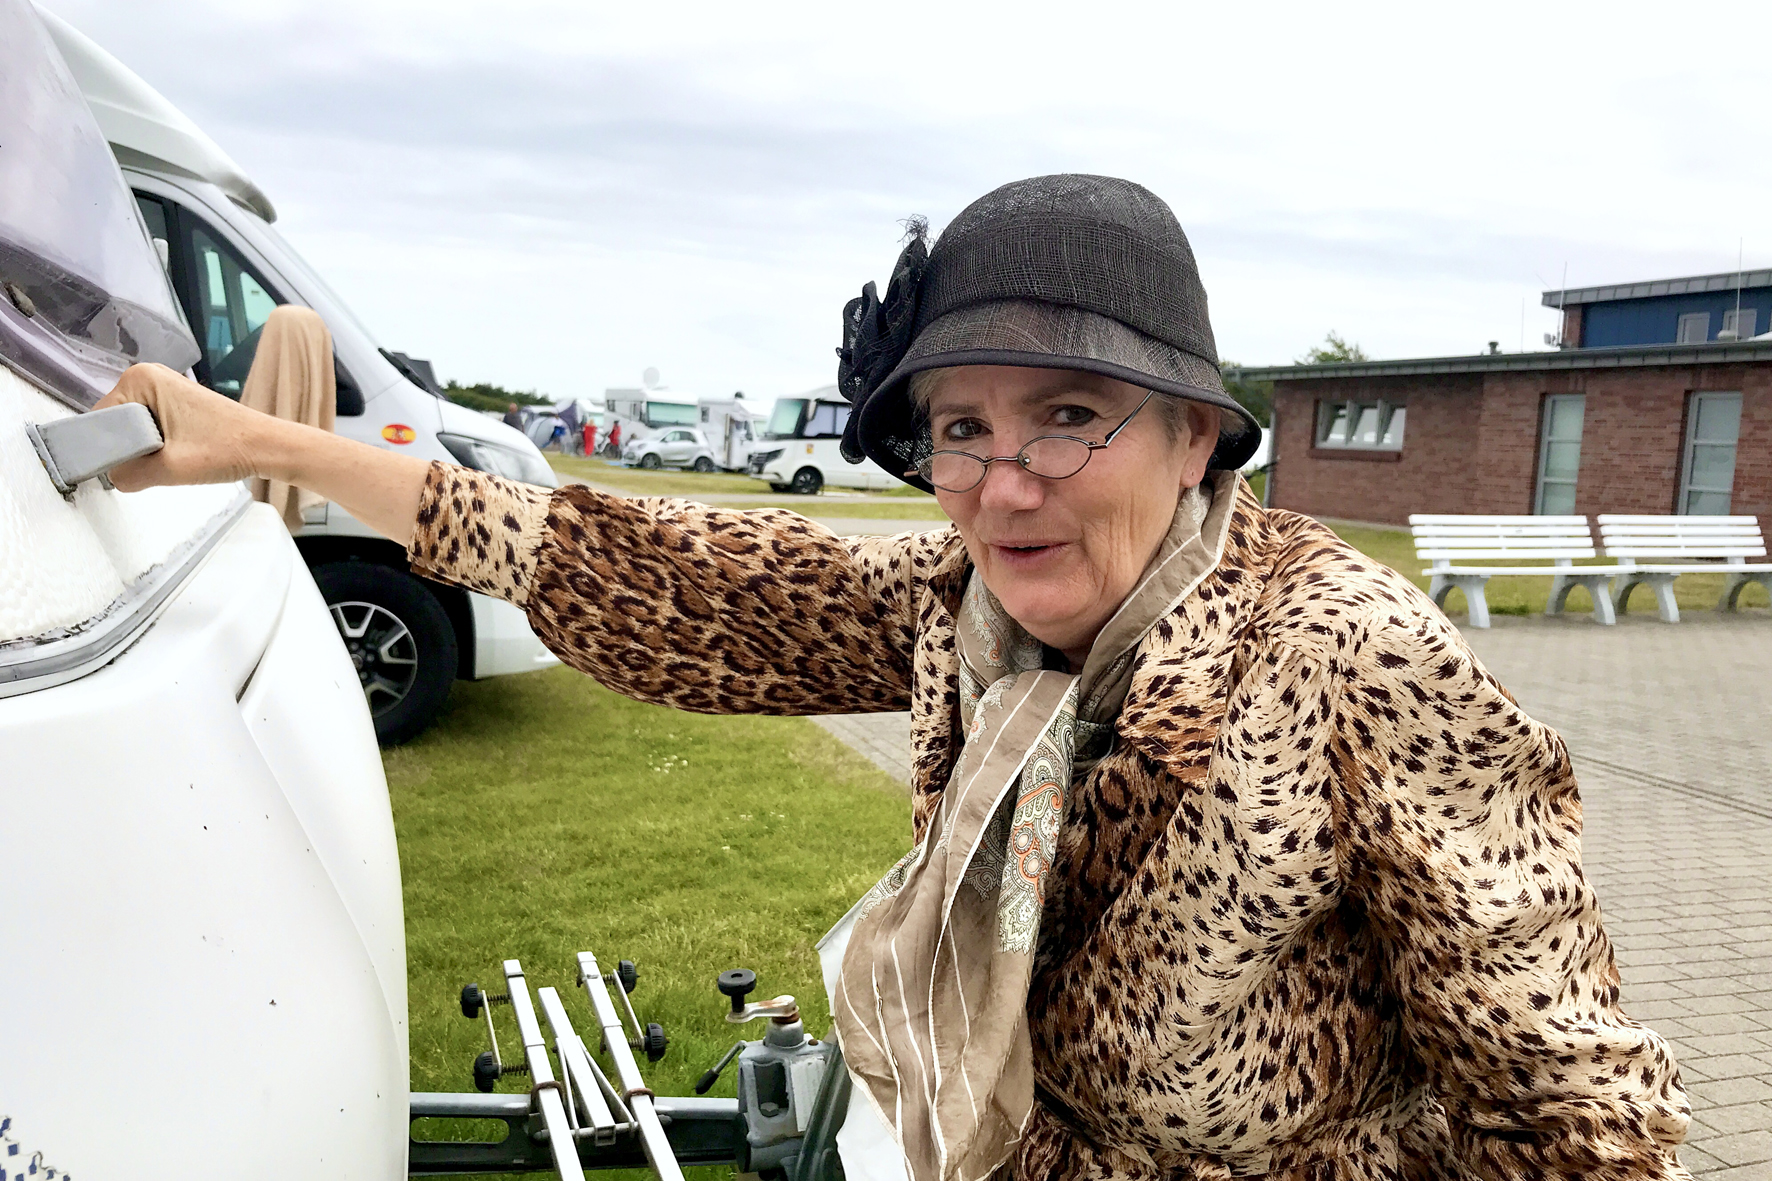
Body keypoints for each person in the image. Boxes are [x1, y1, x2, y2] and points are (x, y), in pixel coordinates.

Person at [94, 175, 1689, 1180]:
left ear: (1199, 436)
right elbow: (663, 569)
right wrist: (268, 446)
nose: (1005, 485)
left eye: (1070, 417)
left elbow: (1578, 1111)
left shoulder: (1354, 651)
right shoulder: (961, 605)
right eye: (962, 429)